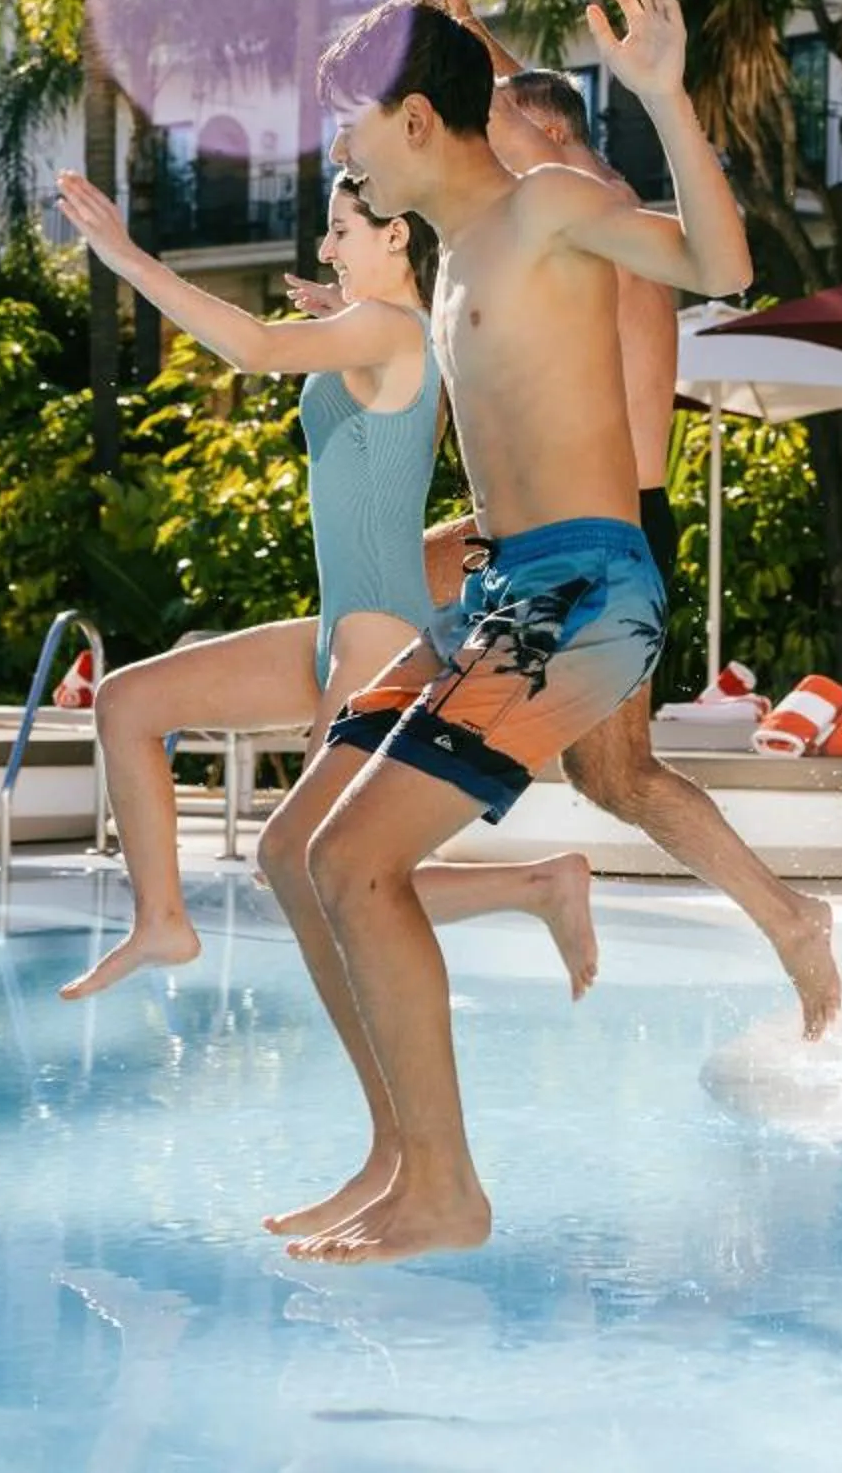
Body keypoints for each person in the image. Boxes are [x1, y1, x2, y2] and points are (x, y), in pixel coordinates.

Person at [262, 0, 753, 1266]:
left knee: (359, 864)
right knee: (298, 849)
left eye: (352, 133)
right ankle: (400, 1150)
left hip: (586, 590)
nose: (346, 164)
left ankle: (448, 1187)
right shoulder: (463, 254)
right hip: (505, 594)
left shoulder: (543, 212)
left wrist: (661, 92)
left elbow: (716, 256)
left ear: (412, 125)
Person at [392, 0, 842, 1041]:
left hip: (605, 530)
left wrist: (473, 44)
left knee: (392, 597)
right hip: (553, 527)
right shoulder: (528, 229)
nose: (488, 143)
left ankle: (363, 803)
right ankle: (789, 916)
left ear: (546, 132)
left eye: (507, 123)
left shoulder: (584, 208)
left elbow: (559, 148)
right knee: (618, 775)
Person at [48, 171, 596, 1009]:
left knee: (321, 869)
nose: (326, 246)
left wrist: (123, 256)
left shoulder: (388, 328)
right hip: (340, 632)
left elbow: (256, 351)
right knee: (127, 704)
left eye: (342, 230)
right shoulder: (388, 331)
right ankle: (162, 919)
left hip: (377, 639)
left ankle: (540, 887)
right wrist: (334, 314)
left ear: (396, 236)